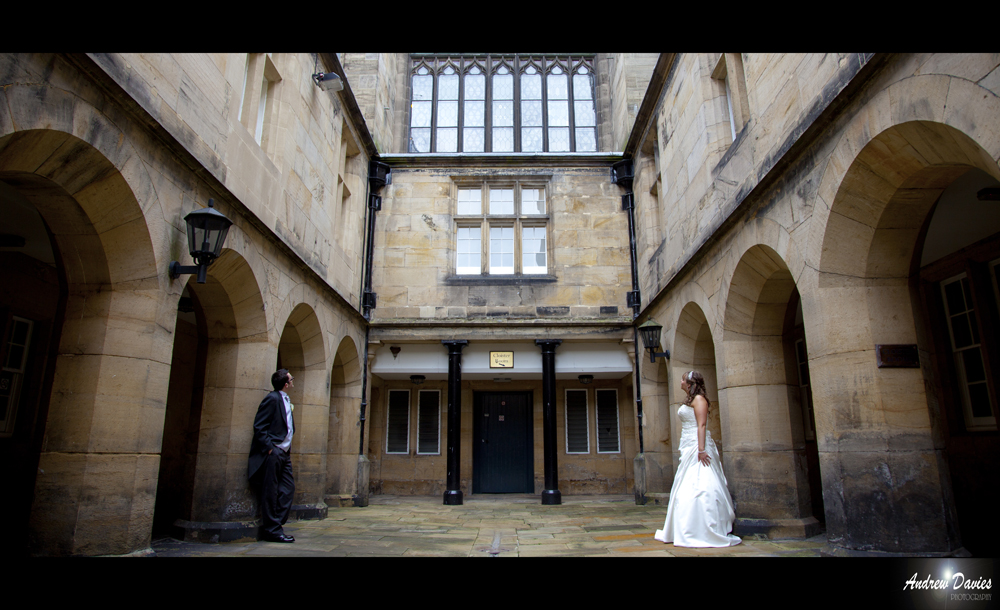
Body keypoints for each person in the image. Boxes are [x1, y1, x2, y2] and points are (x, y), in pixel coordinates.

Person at [654, 370, 741, 547]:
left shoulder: (700, 399)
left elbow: (701, 425)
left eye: (683, 379)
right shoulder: (690, 399)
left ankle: (703, 527)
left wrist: (701, 450)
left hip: (697, 446)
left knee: (702, 484)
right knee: (685, 484)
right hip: (688, 445)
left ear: (690, 383)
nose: (680, 381)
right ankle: (685, 526)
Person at [248, 368, 296, 543]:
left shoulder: (285, 399)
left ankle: (277, 523)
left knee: (288, 489)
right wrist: (270, 448)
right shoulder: (272, 398)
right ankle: (273, 530)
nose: (293, 381)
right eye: (291, 379)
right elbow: (259, 426)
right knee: (270, 491)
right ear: (286, 384)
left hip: (284, 453)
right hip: (274, 452)